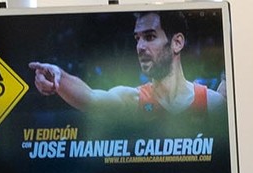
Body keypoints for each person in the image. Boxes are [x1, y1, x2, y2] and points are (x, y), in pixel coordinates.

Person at [29, 11, 226, 118]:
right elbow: (90, 98)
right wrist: (59, 75)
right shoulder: (132, 100)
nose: (140, 47)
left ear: (177, 42)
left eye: (149, 37)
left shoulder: (213, 104)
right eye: (137, 39)